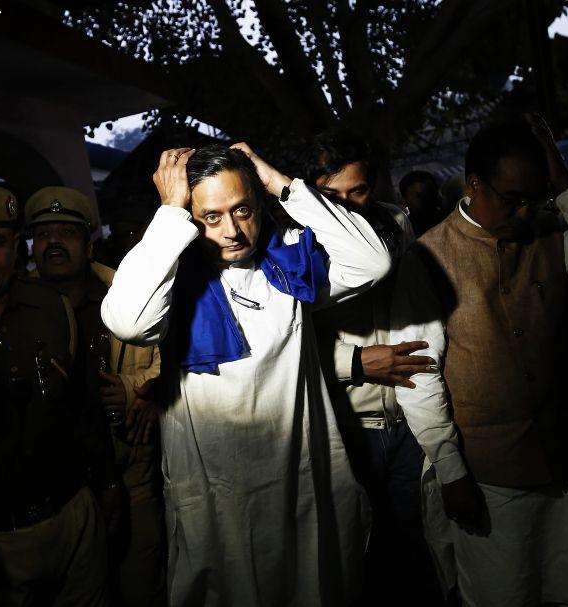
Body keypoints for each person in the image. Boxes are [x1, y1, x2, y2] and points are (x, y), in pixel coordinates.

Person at [101, 142, 393, 606]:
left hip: (301, 479)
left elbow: (372, 262)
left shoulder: (290, 264)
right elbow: (128, 321)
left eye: (242, 210)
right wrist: (171, 212)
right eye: (210, 217)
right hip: (217, 495)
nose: (233, 231)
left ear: (260, 204)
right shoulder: (170, 281)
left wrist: (277, 181)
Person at [391, 116, 568, 606]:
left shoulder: (552, 233)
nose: (525, 211)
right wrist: (451, 471)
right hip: (489, 477)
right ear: (475, 183)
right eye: (512, 198)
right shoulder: (428, 257)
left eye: (534, 197)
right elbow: (419, 376)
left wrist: (565, 184)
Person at [0, 183, 118, 606]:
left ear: (16, 248)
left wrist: (106, 487)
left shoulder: (51, 307)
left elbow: (81, 407)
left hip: (73, 518)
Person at [304, 130, 443, 604]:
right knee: (356, 560)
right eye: (330, 195)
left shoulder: (396, 225)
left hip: (407, 419)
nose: (345, 205)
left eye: (357, 190)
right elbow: (281, 347)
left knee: (414, 550)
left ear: (377, 185)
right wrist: (356, 361)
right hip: (347, 426)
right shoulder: (292, 245)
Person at [24, 186, 166, 607]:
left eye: (66, 232)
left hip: (132, 470)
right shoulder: (16, 306)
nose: (53, 243)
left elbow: (174, 357)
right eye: (44, 233)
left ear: (89, 244)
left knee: (142, 586)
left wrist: (142, 389)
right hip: (58, 491)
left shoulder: (129, 294)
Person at [398, 169, 445, 236]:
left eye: (430, 194)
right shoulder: (405, 231)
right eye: (418, 196)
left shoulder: (449, 219)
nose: (427, 199)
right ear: (404, 200)